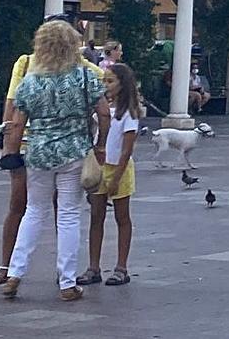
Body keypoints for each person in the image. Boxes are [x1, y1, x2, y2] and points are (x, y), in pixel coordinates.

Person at [0, 20, 111, 301]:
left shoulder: (31, 81)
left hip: (38, 152)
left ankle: (15, 273)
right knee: (69, 214)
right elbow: (104, 113)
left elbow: (17, 121)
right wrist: (100, 146)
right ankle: (67, 283)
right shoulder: (85, 77)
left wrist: (10, 152)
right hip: (74, 152)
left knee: (33, 212)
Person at [78, 63, 140, 288]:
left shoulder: (128, 112)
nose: (106, 85)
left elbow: (127, 148)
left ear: (122, 84)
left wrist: (116, 177)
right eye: (104, 80)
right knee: (96, 216)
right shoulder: (101, 108)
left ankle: (121, 267)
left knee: (122, 217)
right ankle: (93, 267)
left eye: (110, 81)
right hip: (99, 164)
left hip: (119, 168)